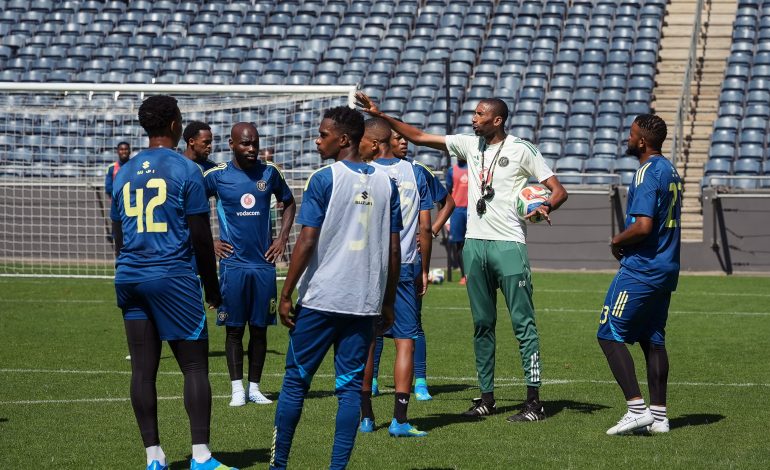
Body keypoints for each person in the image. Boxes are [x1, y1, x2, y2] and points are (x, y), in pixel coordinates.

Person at [356, 91, 568, 422]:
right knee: (482, 325)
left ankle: (534, 401)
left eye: (480, 114)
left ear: (497, 120)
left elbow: (558, 190)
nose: (473, 118)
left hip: (509, 245)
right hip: (474, 246)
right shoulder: (469, 145)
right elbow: (419, 136)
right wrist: (381, 115)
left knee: (523, 325)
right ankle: (486, 398)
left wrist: (546, 205)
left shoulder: (522, 149)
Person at [270, 106, 401, 469]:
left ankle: (278, 465)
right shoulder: (386, 183)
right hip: (363, 302)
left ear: (343, 140)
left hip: (322, 298)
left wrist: (285, 293)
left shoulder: (324, 179)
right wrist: (387, 302)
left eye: (323, 134)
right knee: (348, 390)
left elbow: (307, 240)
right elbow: (393, 249)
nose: (317, 139)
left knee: (296, 382)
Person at [110, 95, 236, 470]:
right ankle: (201, 456)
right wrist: (212, 290)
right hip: (172, 277)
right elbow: (200, 237)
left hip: (130, 275)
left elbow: (119, 236)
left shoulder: (124, 171)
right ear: (173, 125)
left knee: (143, 370)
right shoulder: (186, 170)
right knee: (195, 367)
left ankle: (154, 458)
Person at [203, 123, 296, 407]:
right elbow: (189, 208)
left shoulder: (270, 172)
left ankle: (254, 388)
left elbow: (289, 203)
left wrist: (281, 238)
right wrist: (210, 242)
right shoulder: (216, 176)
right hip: (232, 266)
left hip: (263, 266)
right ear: (231, 144)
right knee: (233, 329)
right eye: (245, 144)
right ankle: (236, 390)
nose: (252, 149)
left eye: (255, 143)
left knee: (259, 328)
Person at [598, 115, 680, 435]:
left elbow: (644, 226)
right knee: (653, 338)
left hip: (642, 269)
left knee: (609, 334)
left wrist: (617, 240)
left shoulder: (646, 172)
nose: (628, 139)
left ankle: (636, 409)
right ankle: (659, 417)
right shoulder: (670, 170)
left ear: (642, 142)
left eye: (631, 135)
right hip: (667, 266)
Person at [369, 127, 456, 401]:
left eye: (405, 138)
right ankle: (372, 382)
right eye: (398, 138)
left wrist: (430, 231)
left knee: (411, 325)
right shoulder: (369, 170)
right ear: (384, 141)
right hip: (389, 262)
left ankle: (420, 381)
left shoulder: (418, 170)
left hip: (406, 260)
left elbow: (448, 202)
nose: (404, 142)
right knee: (377, 325)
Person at [359, 117, 433, 436]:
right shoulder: (415, 173)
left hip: (366, 268)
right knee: (405, 341)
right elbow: (426, 229)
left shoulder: (361, 173)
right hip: (403, 266)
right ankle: (400, 420)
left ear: (374, 142)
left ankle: (365, 417)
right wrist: (424, 269)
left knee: (366, 342)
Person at [446, 158, 469, 284]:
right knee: (459, 244)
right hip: (457, 211)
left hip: (472, 210)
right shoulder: (451, 171)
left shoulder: (473, 168)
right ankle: (464, 275)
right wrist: (446, 219)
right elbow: (447, 194)